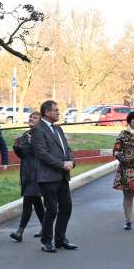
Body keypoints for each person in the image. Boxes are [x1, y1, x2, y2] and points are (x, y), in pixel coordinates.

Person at [33, 100, 77, 253]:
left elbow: (67, 148)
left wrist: (71, 160)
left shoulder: (58, 129)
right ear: (47, 112)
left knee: (67, 207)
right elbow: (42, 154)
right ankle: (46, 241)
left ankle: (60, 239)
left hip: (62, 176)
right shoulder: (38, 129)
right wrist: (61, 164)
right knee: (51, 210)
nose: (59, 112)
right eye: (56, 110)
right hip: (48, 177)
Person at [9, 111, 45, 241]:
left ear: (40, 121)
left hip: (37, 173)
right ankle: (46, 228)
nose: (31, 119)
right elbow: (23, 155)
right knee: (36, 202)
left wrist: (32, 143)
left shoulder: (41, 134)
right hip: (26, 172)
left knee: (28, 201)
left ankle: (20, 232)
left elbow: (42, 153)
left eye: (34, 117)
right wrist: (16, 147)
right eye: (30, 117)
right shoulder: (26, 134)